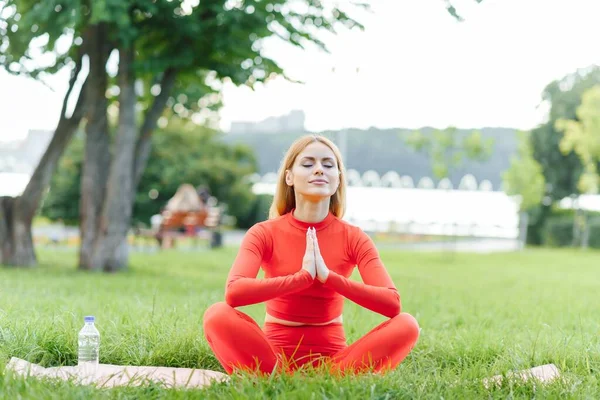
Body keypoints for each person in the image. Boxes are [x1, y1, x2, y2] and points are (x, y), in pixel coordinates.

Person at [202, 134, 419, 376]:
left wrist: (329, 277)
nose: (319, 170)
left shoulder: (354, 237)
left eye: (328, 165)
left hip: (335, 365)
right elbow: (234, 293)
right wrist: (301, 278)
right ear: (289, 177)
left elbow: (392, 304)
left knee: (407, 325)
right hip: (272, 362)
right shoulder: (263, 233)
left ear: (338, 180)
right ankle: (276, 380)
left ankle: (330, 381)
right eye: (308, 164)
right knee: (217, 314)